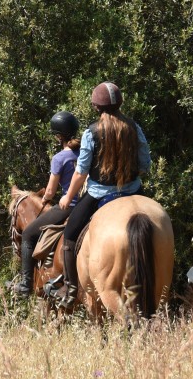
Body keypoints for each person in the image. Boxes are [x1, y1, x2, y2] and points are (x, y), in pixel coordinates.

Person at [54, 81, 151, 308]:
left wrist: (68, 197)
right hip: (134, 191)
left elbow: (81, 171)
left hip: (99, 195)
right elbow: (145, 163)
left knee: (69, 234)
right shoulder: (133, 128)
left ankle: (70, 288)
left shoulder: (91, 132)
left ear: (96, 107)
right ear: (121, 103)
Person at [6, 110, 81, 296]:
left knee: (29, 234)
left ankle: (25, 284)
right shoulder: (85, 153)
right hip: (89, 203)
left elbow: (49, 191)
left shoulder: (59, 158)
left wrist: (45, 200)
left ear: (58, 136)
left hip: (69, 206)